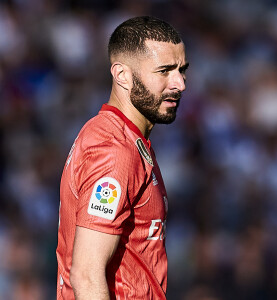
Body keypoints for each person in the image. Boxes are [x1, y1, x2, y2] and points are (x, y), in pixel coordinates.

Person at [56, 16, 189, 299]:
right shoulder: (113, 149)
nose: (179, 83)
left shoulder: (126, 139)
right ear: (122, 75)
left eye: (181, 70)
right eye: (164, 71)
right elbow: (86, 275)